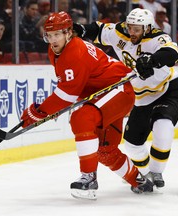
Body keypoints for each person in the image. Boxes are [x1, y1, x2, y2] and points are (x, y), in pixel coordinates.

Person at [20, 11, 154, 200]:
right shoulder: (56, 51)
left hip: (119, 90)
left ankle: (88, 178)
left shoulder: (75, 50)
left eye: (57, 34)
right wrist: (52, 107)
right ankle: (139, 181)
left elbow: (67, 93)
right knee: (105, 151)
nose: (53, 40)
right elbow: (71, 86)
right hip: (103, 95)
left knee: (81, 118)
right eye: (49, 35)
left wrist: (40, 112)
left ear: (69, 33)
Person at [73, 8, 178, 190]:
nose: (131, 32)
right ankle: (146, 172)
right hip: (141, 98)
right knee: (133, 145)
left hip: (168, 89)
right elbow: (99, 29)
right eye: (130, 27)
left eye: (137, 29)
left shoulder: (158, 37)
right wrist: (80, 29)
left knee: (162, 127)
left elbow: (172, 53)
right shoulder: (120, 33)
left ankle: (156, 172)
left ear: (147, 28)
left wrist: (152, 60)